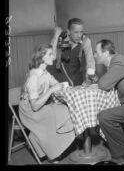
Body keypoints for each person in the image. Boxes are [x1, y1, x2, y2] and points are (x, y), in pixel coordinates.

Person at [19, 27, 75, 163]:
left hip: (39, 106)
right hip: (29, 111)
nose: (53, 57)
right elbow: (35, 106)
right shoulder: (34, 77)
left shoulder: (44, 72)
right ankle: (49, 149)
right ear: (41, 57)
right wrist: (51, 90)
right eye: (50, 55)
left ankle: (51, 147)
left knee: (65, 109)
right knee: (60, 112)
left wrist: (66, 88)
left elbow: (57, 85)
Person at [48, 18, 96, 86]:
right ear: (68, 31)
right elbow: (51, 57)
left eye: (81, 32)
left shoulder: (85, 41)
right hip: (59, 75)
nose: (79, 35)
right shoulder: (61, 38)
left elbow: (90, 60)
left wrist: (90, 77)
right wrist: (56, 36)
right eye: (76, 32)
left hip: (77, 76)